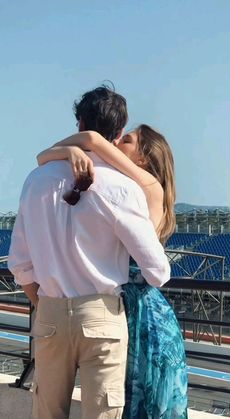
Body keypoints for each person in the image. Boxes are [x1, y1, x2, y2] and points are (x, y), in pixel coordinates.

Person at [8, 86, 171, 419]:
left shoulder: (36, 179)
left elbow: (20, 264)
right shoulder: (123, 188)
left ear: (78, 122)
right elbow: (158, 271)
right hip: (102, 315)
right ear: (119, 132)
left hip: (51, 311)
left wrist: (47, 303)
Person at [37, 125, 188, 418]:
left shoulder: (146, 186)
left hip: (141, 316)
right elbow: (44, 156)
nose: (117, 141)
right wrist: (69, 152)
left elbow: (90, 140)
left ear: (145, 157)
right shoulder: (129, 188)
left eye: (127, 140)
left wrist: (71, 149)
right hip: (127, 311)